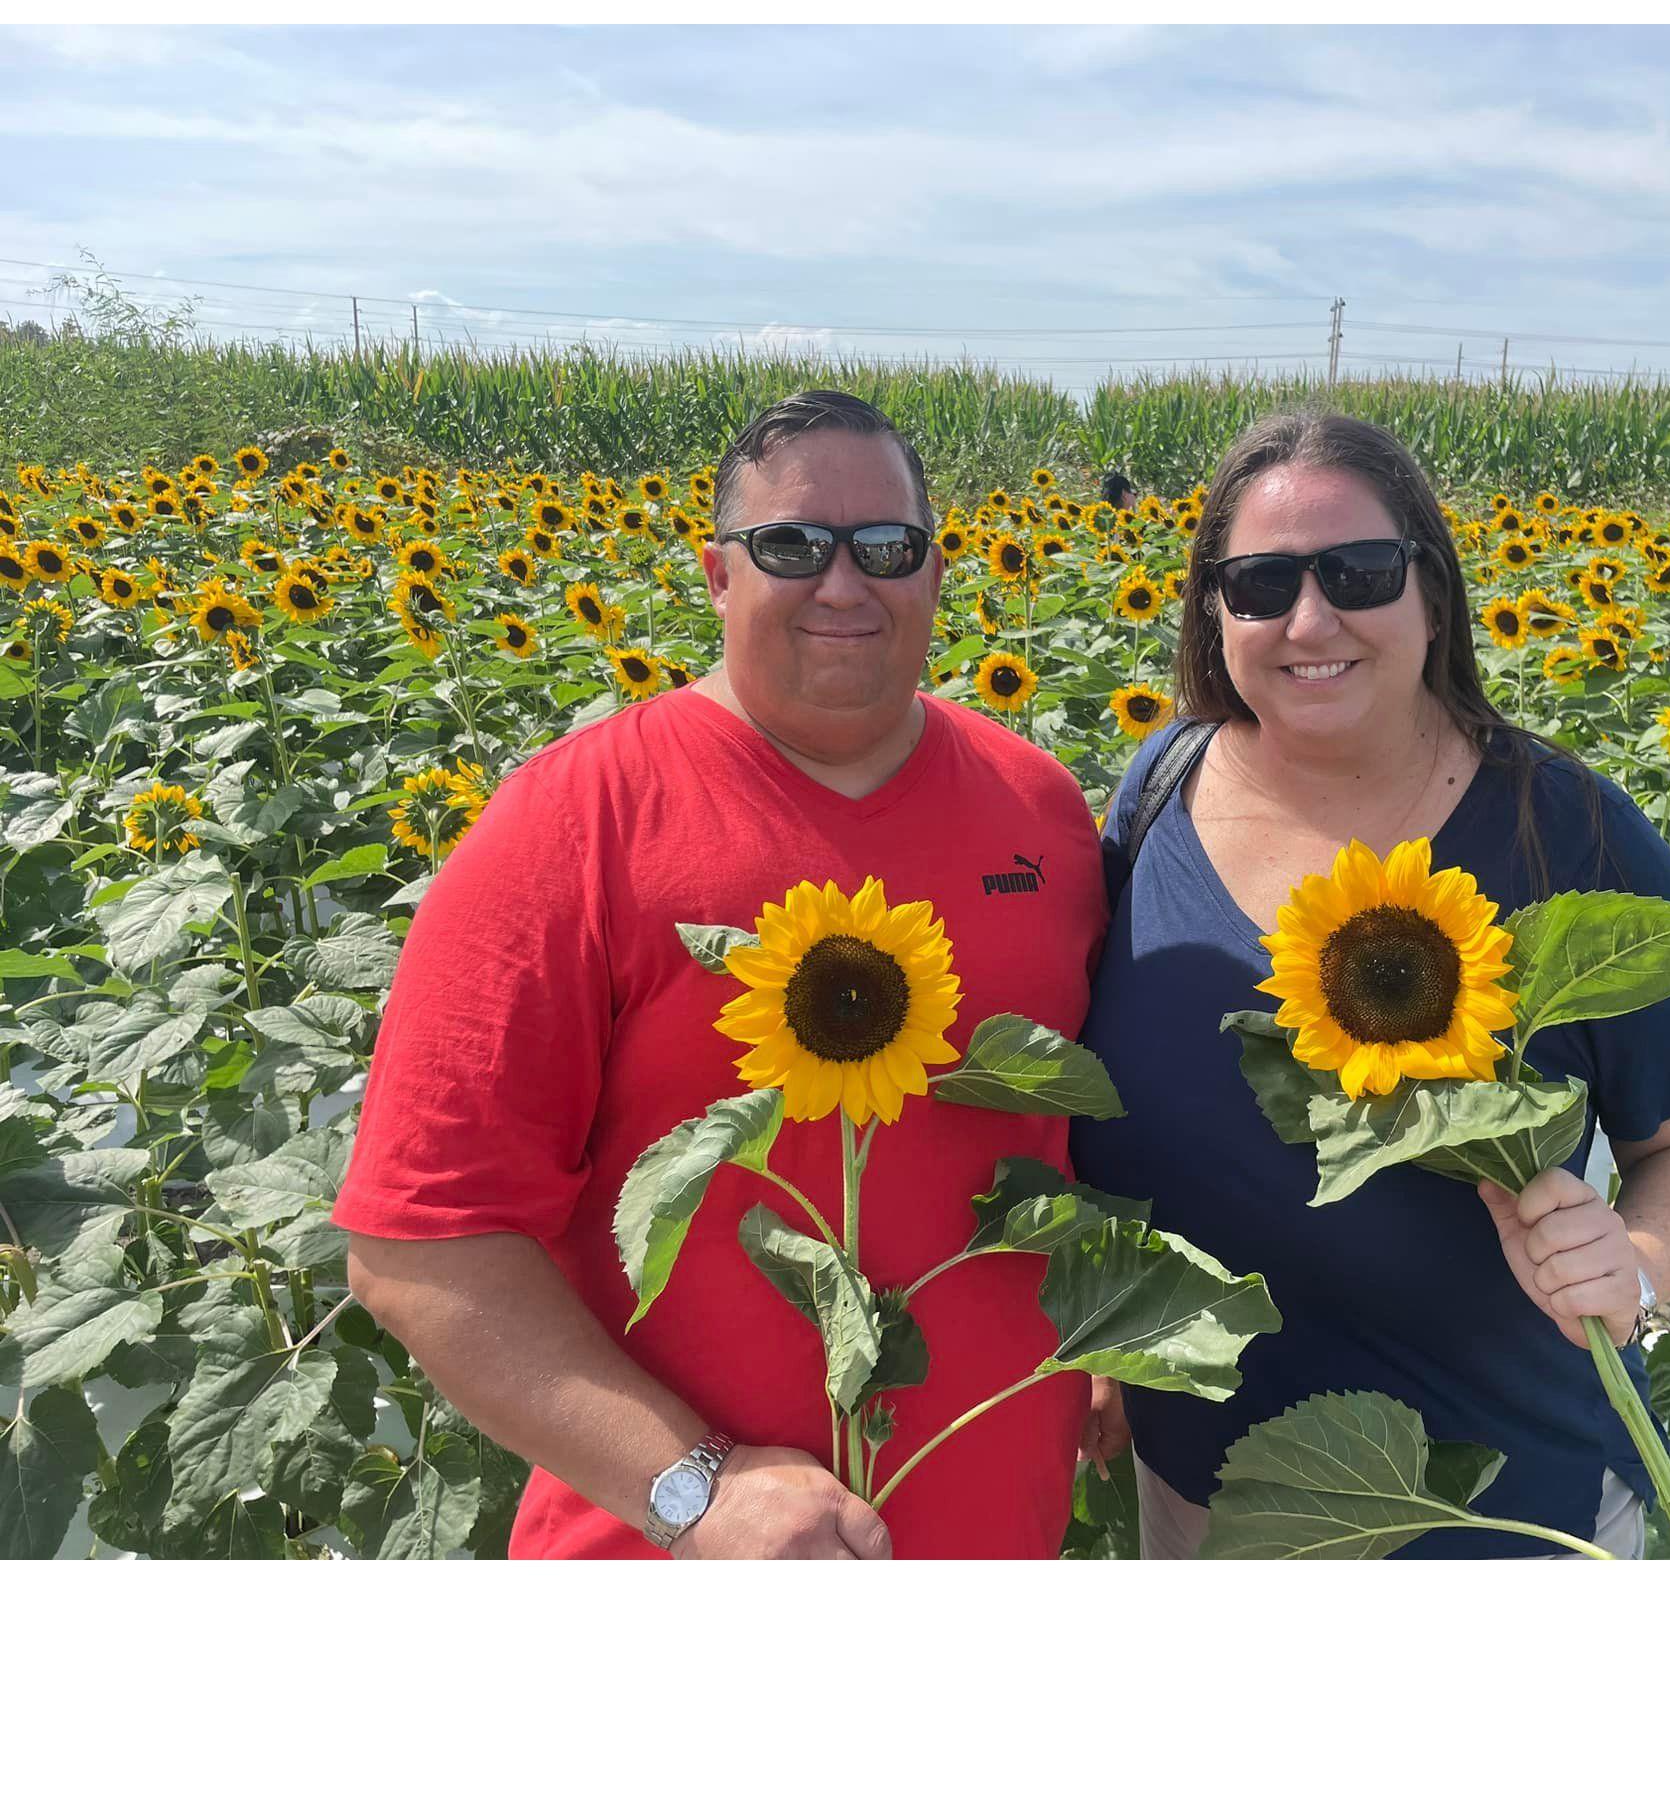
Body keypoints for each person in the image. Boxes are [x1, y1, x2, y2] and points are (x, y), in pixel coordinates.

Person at [336, 389, 1109, 1559]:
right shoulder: (572, 821)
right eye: (791, 545)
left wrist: (1106, 1334)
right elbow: (421, 1243)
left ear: (935, 573)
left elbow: (1078, 1138)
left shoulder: (1039, 809)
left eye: (884, 548)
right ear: (715, 574)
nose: (842, 585)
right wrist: (695, 1488)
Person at [1069, 410, 1670, 1559]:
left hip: (1496, 1506)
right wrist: (1102, 1334)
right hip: (1202, 1499)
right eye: (1259, 582)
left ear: (1430, 592)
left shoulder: (1565, 834)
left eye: (1358, 571)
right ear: (1210, 610)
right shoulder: (1155, 789)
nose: (1308, 617)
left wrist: (1632, 1261)